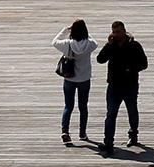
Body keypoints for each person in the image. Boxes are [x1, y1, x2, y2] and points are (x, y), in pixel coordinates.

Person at [96, 19, 148, 156]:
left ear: (124, 31)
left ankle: (133, 134)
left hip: (130, 85)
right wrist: (108, 44)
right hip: (114, 86)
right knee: (110, 114)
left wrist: (130, 69)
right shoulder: (111, 45)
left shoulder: (134, 46)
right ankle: (108, 142)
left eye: (118, 32)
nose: (115, 34)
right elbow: (100, 59)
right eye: (113, 32)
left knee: (132, 110)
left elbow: (144, 64)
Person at [52, 19, 97, 145]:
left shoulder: (67, 44)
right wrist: (87, 34)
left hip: (69, 79)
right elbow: (96, 43)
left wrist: (65, 30)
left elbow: (54, 42)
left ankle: (65, 131)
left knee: (68, 106)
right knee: (83, 107)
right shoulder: (89, 44)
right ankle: (82, 133)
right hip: (84, 79)